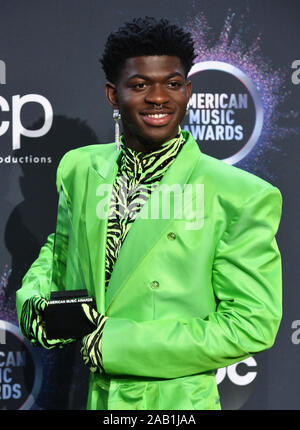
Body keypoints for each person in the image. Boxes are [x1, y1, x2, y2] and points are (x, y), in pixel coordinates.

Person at [16, 17, 282, 410]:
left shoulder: (238, 194)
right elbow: (61, 257)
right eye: (140, 85)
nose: (159, 97)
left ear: (188, 91)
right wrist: (36, 306)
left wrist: (118, 344)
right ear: (113, 94)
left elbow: (251, 323)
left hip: (176, 405)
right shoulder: (80, 169)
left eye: (172, 84)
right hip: (94, 398)